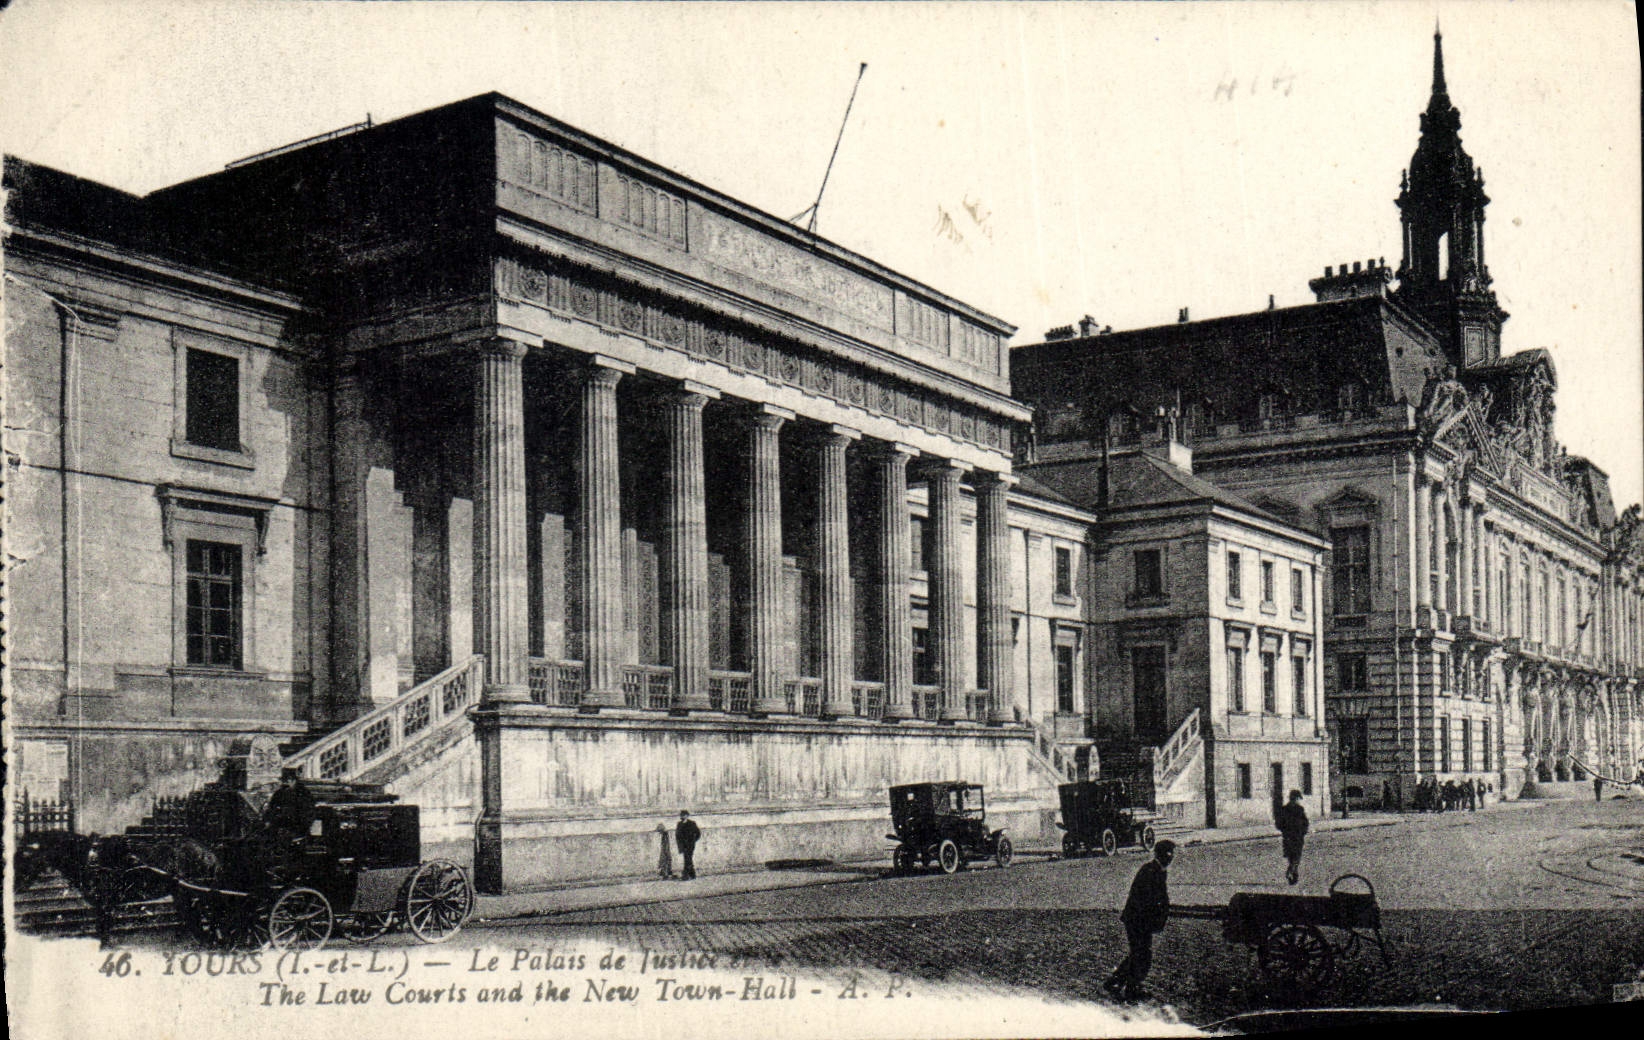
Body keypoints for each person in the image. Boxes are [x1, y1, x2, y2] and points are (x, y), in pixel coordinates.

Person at [1104, 840, 1175, 1002]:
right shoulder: (1150, 871)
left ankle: (1115, 981)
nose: (1171, 858)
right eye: (1168, 854)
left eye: (1172, 854)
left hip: (1139, 920)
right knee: (1143, 955)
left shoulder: (1157, 870)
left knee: (1138, 953)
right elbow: (1146, 899)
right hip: (1138, 920)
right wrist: (1154, 919)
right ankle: (1132, 988)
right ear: (1160, 855)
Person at [1275, 790, 1309, 885]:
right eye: (1298, 799)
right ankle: (1291, 871)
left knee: (1291, 857)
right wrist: (1303, 831)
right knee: (1296, 857)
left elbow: (1278, 824)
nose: (1298, 800)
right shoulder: (1299, 809)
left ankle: (1294, 877)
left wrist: (1284, 831)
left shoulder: (1284, 809)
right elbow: (1305, 822)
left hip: (1288, 837)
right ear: (1296, 798)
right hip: (1297, 837)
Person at [675, 810, 701, 880]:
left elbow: (698, 833)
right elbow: (677, 835)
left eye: (684, 815)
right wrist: (679, 844)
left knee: (687, 858)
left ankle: (685, 875)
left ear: (687, 815)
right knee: (688, 859)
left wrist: (693, 841)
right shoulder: (679, 824)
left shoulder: (692, 823)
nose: (682, 816)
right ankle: (692, 874)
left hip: (690, 845)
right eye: (681, 815)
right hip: (683, 845)